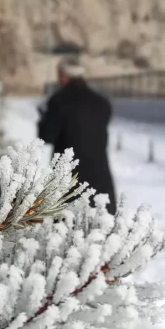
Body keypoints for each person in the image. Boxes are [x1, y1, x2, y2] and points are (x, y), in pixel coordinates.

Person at [37, 57, 117, 214]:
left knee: (65, 232)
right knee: (100, 229)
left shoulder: (58, 101)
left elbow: (46, 136)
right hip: (100, 179)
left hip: (68, 180)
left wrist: (44, 118)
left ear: (63, 76)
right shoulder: (102, 103)